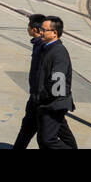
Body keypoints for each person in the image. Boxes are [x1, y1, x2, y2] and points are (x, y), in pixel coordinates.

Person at [33, 16, 77, 148]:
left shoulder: (59, 52)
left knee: (48, 140)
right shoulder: (47, 48)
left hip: (53, 103)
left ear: (54, 33)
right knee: (52, 137)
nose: (40, 32)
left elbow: (58, 81)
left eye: (43, 30)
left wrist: (43, 97)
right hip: (47, 102)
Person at [12, 14, 47, 149]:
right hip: (35, 96)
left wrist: (39, 94)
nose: (27, 29)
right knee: (27, 127)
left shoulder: (44, 47)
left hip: (41, 97)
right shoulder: (38, 44)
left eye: (29, 26)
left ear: (36, 30)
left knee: (49, 134)